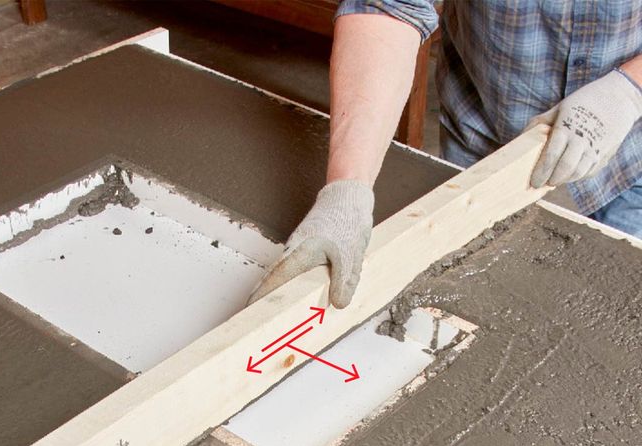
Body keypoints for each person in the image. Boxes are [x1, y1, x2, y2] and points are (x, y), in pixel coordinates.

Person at [250, 1, 642, 309]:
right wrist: (347, 189)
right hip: (486, 146)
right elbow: (389, 8)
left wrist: (627, 93)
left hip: (632, 156)